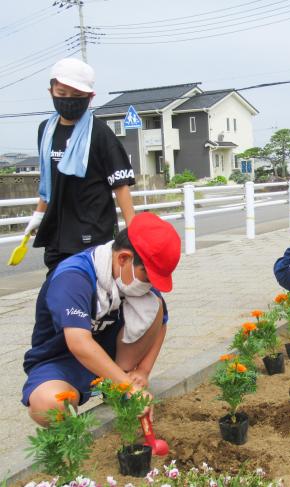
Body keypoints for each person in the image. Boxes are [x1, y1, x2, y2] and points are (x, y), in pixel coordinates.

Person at [22, 212, 181, 426]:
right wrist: (128, 386)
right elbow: (79, 343)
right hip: (60, 359)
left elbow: (160, 324)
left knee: (155, 306)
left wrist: (142, 371)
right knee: (49, 405)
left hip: (112, 358)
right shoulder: (74, 277)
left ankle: (116, 382)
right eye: (148, 276)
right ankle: (73, 433)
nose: (149, 284)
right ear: (123, 258)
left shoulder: (134, 282)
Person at [24, 58, 136, 273]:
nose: (68, 101)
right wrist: (39, 215)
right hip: (57, 233)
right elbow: (49, 180)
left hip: (93, 232)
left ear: (89, 97)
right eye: (62, 94)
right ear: (51, 91)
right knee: (57, 292)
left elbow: (120, 184)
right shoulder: (45, 131)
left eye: (77, 96)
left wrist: (133, 230)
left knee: (93, 295)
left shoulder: (101, 133)